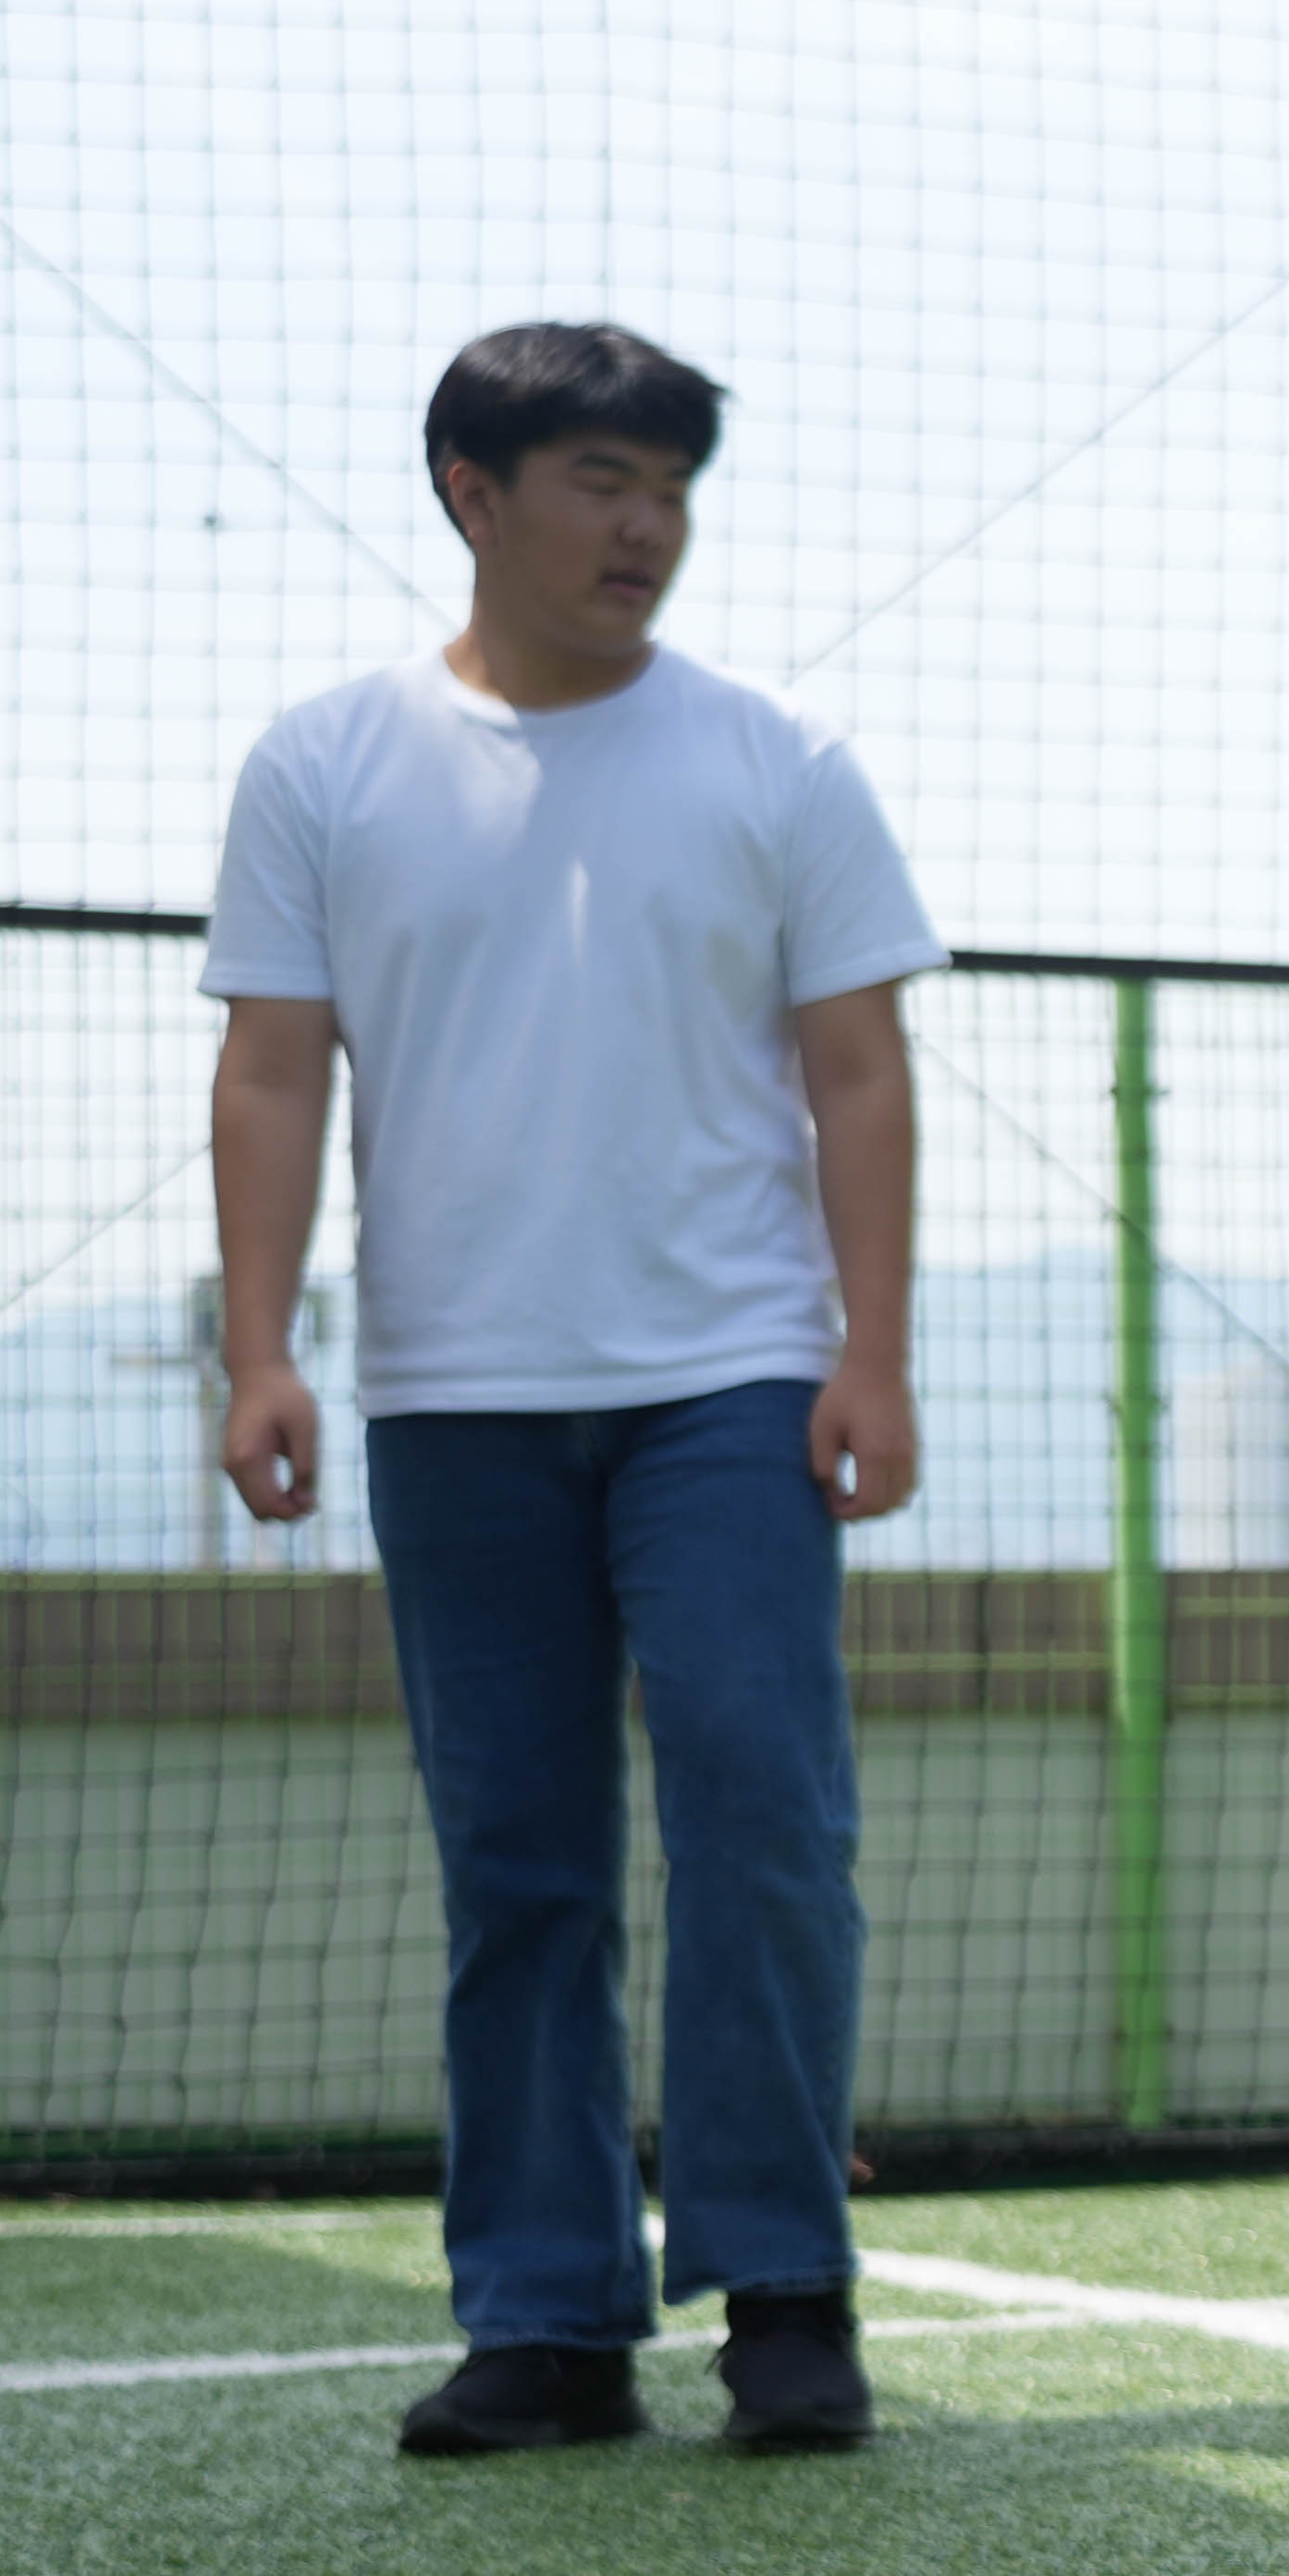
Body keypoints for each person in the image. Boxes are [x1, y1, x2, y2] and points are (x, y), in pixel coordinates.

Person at [206, 326, 939, 2460]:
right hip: (452, 1393)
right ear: (473, 489)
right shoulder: (324, 764)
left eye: (673, 490)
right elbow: (273, 1069)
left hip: (735, 1384)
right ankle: (544, 2316)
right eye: (604, 480)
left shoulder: (782, 758)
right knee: (517, 1861)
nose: (648, 528)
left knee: (767, 1823)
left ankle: (784, 2293)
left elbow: (861, 1070)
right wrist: (263, 1347)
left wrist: (871, 1350)